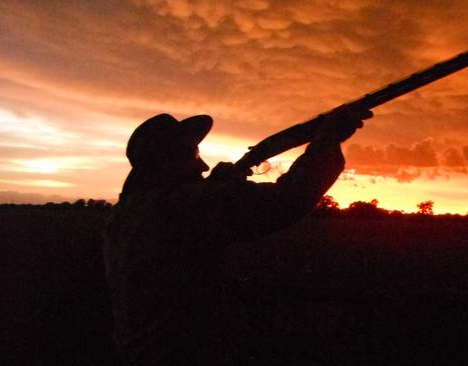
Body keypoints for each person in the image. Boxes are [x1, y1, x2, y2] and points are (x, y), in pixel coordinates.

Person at [103, 106, 372, 365]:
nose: (204, 167)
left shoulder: (127, 212)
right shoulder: (185, 205)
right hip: (182, 353)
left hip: (141, 351)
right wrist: (327, 140)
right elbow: (288, 200)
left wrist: (218, 186)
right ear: (168, 161)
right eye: (193, 155)